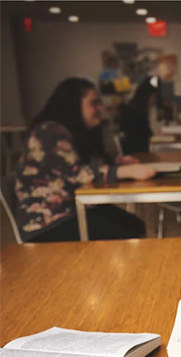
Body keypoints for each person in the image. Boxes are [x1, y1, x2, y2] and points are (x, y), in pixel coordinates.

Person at [15, 77, 156, 243]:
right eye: (94, 103)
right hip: (46, 223)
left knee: (134, 225)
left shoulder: (69, 132)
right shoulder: (49, 132)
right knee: (127, 231)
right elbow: (78, 174)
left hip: (71, 211)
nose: (100, 108)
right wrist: (126, 171)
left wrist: (115, 163)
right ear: (73, 105)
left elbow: (81, 166)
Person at [118, 76, 159, 154]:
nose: (154, 101)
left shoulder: (133, 110)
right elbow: (146, 135)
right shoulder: (136, 114)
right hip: (137, 154)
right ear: (147, 97)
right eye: (153, 97)